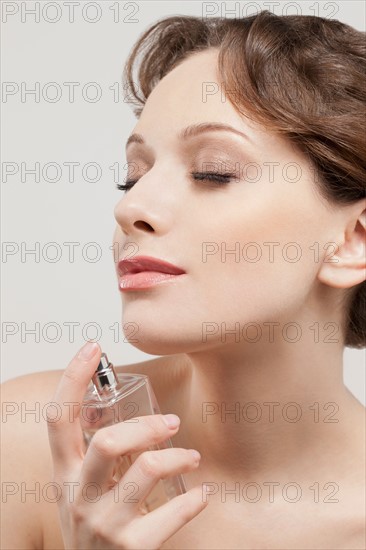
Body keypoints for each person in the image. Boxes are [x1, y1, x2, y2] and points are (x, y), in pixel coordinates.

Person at [1, 10, 365, 550]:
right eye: (133, 175)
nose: (132, 207)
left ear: (352, 240)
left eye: (213, 171)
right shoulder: (32, 448)